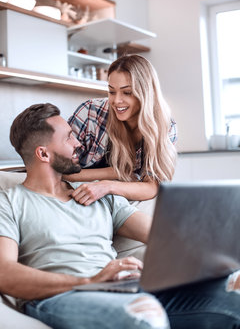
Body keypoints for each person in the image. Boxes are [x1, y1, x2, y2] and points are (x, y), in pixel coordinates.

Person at [0, 103, 170, 329]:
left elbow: (164, 237)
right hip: (61, 297)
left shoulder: (98, 194)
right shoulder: (8, 202)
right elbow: (5, 273)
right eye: (69, 137)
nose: (78, 143)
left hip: (122, 289)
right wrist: (90, 281)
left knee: (226, 297)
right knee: (143, 314)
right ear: (43, 153)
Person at [67, 54, 177, 206]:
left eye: (127, 92)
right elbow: (59, 170)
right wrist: (115, 173)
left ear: (146, 93)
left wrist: (107, 186)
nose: (116, 101)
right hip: (76, 199)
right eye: (112, 91)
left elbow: (153, 186)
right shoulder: (91, 113)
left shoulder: (164, 126)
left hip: (121, 203)